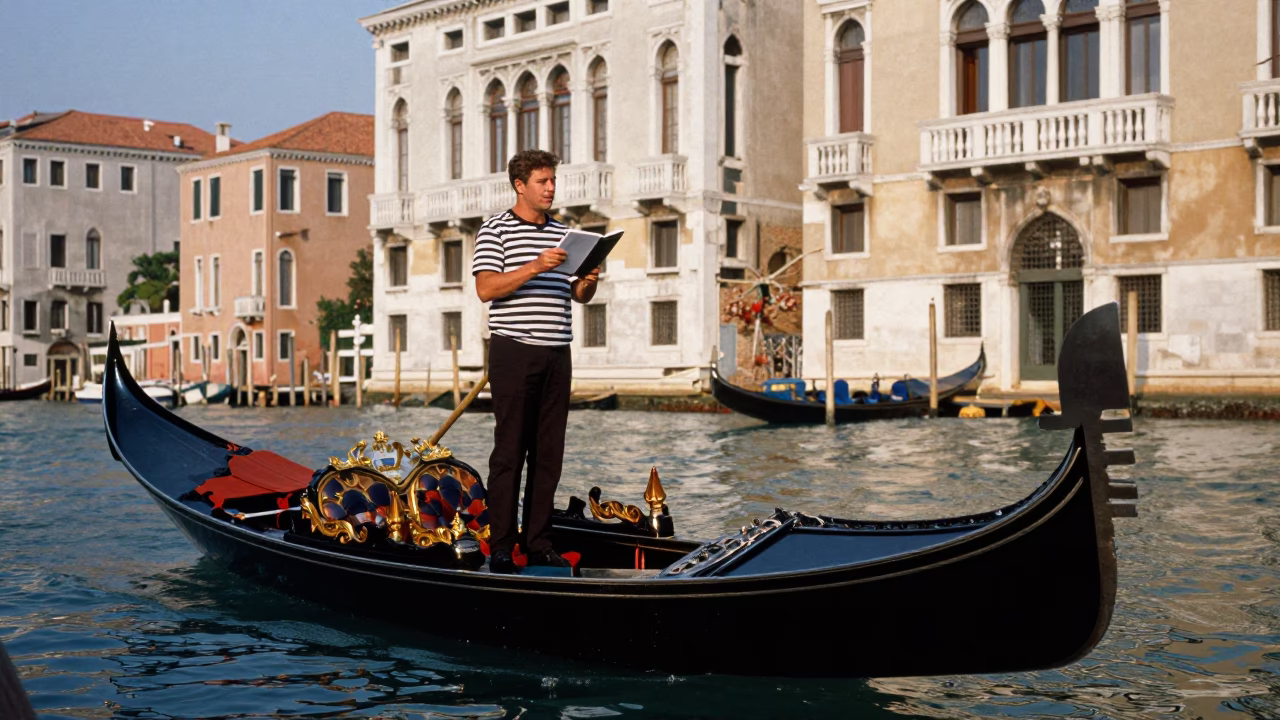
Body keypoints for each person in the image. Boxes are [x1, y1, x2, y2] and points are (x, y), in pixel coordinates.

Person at [472, 149, 600, 574]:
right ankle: (503, 546)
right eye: (543, 181)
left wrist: (587, 283)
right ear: (520, 185)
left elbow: (577, 297)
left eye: (552, 181)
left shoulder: (566, 235)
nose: (550, 188)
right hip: (513, 350)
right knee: (509, 452)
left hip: (556, 353)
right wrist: (535, 266)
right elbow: (487, 289)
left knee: (549, 454)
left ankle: (539, 542)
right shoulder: (495, 230)